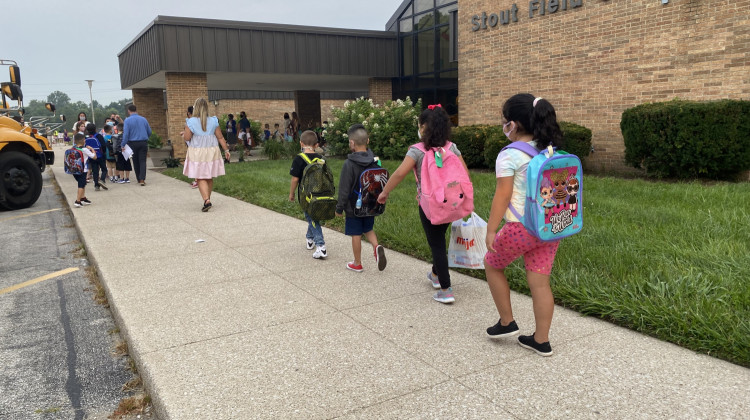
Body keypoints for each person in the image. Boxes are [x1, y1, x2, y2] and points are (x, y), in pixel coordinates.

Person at [483, 94, 564, 357]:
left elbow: (502, 195)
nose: (504, 126)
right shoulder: (547, 148)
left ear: (514, 124)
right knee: (540, 283)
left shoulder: (510, 155)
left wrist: (492, 229)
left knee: (492, 264)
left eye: (505, 121)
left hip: (519, 228)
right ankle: (541, 340)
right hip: (549, 227)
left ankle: (507, 322)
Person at [377, 105, 469, 304]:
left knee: (436, 244)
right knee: (439, 238)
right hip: (452, 203)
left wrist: (385, 192)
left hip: (430, 205)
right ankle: (436, 274)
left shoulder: (416, 151)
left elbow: (400, 173)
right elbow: (464, 174)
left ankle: (445, 288)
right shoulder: (451, 147)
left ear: (424, 127)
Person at [335, 124, 386, 272]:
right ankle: (377, 247)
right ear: (368, 141)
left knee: (356, 233)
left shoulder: (349, 164)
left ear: (352, 143)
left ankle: (357, 263)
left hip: (353, 207)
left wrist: (339, 208)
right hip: (371, 204)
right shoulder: (375, 160)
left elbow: (344, 189)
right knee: (368, 229)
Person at [182, 98, 231, 212]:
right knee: (209, 176)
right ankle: (207, 198)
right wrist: (226, 150)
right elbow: (220, 137)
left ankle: (206, 200)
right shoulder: (214, 121)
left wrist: (185, 133)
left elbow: (187, 138)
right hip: (212, 151)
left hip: (197, 151)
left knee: (200, 177)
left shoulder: (190, 122)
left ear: (195, 108)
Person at [288, 131, 327, 259]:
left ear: (301, 143)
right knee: (312, 215)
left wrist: (292, 193)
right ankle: (309, 239)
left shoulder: (299, 159)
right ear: (316, 145)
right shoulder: (321, 159)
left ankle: (320, 246)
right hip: (321, 193)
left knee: (312, 218)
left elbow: (295, 179)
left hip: (306, 195)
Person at [121, 104, 152, 186]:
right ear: (136, 110)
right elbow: (149, 131)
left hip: (132, 143)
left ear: (129, 111)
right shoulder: (143, 119)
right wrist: (145, 137)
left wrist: (123, 144)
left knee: (135, 161)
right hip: (143, 142)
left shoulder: (127, 121)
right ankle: (142, 179)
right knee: (142, 161)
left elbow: (126, 134)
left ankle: (138, 178)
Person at [70, 133, 96, 207]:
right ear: (84, 140)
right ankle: (78, 201)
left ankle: (83, 198)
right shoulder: (85, 149)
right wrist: (92, 149)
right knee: (81, 185)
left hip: (74, 170)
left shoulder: (73, 148)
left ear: (74, 141)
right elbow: (94, 157)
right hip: (83, 170)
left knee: (83, 183)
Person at [85, 123, 108, 191]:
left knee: (95, 171)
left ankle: (96, 186)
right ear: (95, 129)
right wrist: (103, 152)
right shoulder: (99, 136)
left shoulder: (87, 137)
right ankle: (102, 180)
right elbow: (103, 146)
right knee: (104, 169)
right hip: (100, 155)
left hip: (92, 156)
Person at [185, 106, 199, 189]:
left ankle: (197, 180)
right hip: (197, 146)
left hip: (195, 146)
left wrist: (185, 135)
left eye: (188, 113)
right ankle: (197, 180)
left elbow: (188, 136)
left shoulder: (191, 122)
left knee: (196, 163)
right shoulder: (198, 121)